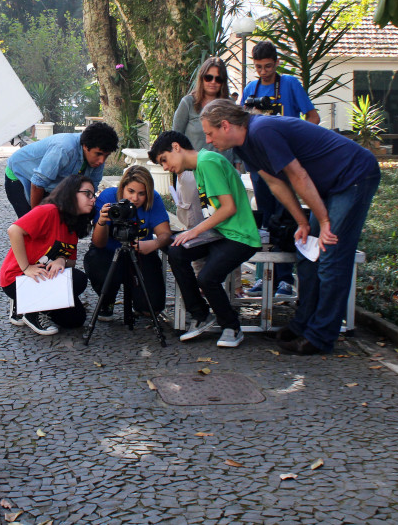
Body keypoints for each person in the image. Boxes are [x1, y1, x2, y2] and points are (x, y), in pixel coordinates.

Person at [200, 99, 380, 355]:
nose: (208, 140)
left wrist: (325, 222)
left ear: (226, 125)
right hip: (328, 187)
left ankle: (320, 337)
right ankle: (303, 323)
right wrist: (303, 222)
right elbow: (276, 184)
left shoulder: (262, 130)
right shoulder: (243, 146)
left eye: (210, 133)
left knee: (330, 257)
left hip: (354, 176)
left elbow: (298, 176)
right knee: (307, 255)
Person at [148, 131, 261, 348]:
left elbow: (228, 208)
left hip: (240, 237)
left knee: (207, 277)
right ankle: (200, 315)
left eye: (164, 159)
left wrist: (194, 231)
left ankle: (231, 326)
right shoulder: (199, 167)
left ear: (176, 147)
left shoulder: (208, 162)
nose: (164, 167)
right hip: (220, 235)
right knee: (176, 250)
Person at [240, 41, 320, 300]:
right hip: (261, 164)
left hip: (284, 163)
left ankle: (285, 278)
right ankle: (263, 278)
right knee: (264, 222)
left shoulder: (290, 84)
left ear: (277, 62)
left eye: (268, 66)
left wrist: (299, 147)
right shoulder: (250, 89)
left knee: (284, 219)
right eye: (259, 67)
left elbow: (313, 116)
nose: (264, 72)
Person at [0, 174, 95, 336]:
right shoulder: (49, 211)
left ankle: (32, 303)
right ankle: (29, 311)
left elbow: (71, 261)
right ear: (71, 193)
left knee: (75, 319)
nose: (93, 199)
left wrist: (61, 260)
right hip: (17, 278)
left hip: (44, 278)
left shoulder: (73, 224)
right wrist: (26, 267)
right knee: (78, 280)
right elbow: (14, 231)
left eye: (94, 195)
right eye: (87, 194)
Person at [84, 165, 172, 321]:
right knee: (96, 258)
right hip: (109, 253)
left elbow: (165, 234)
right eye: (130, 191)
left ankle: (138, 297)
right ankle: (107, 300)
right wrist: (102, 222)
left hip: (141, 254)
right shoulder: (108, 198)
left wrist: (153, 244)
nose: (135, 199)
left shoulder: (154, 199)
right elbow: (98, 243)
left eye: (141, 194)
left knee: (150, 310)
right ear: (122, 188)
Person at [4, 121, 119, 218]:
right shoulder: (64, 149)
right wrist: (37, 218)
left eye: (106, 155)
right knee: (32, 225)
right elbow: (38, 183)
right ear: (85, 146)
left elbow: (90, 189)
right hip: (20, 174)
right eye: (98, 154)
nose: (101, 161)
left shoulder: (98, 159)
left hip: (48, 183)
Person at [173, 56, 232, 152]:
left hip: (224, 164)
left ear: (223, 82)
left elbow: (236, 137)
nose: (213, 82)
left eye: (218, 79)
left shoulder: (230, 105)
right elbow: (176, 136)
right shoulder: (188, 103)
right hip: (195, 164)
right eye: (208, 78)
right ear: (201, 78)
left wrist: (237, 163)